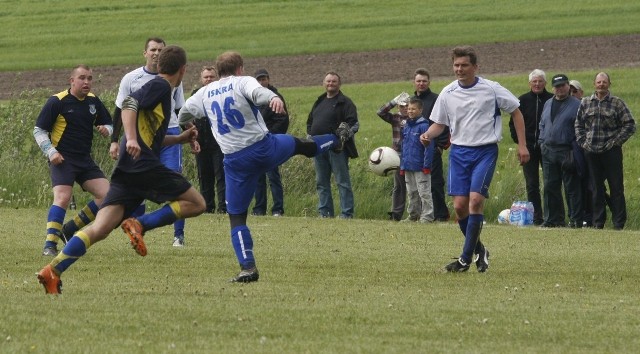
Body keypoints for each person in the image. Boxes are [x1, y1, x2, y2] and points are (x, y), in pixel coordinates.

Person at [37, 46, 206, 294]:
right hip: (144, 165)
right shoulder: (160, 87)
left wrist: (180, 138)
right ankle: (141, 225)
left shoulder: (162, 92)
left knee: (100, 229)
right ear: (183, 70)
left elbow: (151, 138)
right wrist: (131, 139)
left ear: (161, 65)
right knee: (197, 203)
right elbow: (128, 103)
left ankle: (52, 270)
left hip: (128, 168)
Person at [178, 51, 347, 283]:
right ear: (240, 69)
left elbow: (184, 112)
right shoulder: (243, 81)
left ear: (218, 72)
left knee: (237, 217)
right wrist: (273, 98)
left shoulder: (204, 93)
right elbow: (258, 93)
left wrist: (189, 128)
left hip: (235, 162)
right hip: (263, 148)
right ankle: (336, 140)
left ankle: (248, 268)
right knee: (300, 144)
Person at [420, 46, 529, 273]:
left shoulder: (491, 89)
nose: (460, 69)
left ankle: (464, 259)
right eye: (456, 65)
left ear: (475, 67)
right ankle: (481, 250)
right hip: (459, 153)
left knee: (476, 201)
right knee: (460, 207)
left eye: (464, 65)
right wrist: (428, 135)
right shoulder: (448, 93)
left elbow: (516, 111)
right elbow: (440, 123)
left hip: (485, 151)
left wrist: (522, 145)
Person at [110, 37, 192, 248]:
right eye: (153, 49)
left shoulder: (174, 80)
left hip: (169, 132)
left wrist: (187, 135)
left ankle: (178, 236)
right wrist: (115, 140)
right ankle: (137, 229)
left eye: (160, 50)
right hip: (141, 136)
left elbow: (177, 110)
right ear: (145, 53)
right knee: (139, 185)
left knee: (175, 181)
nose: (156, 53)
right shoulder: (131, 78)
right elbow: (122, 108)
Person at [34, 65, 113, 257]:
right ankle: (50, 245)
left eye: (90, 78)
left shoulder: (93, 101)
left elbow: (110, 124)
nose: (86, 82)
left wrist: (106, 130)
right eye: (82, 78)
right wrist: (50, 152)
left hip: (84, 160)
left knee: (108, 196)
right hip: (62, 159)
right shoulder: (57, 101)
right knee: (62, 197)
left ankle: (69, 229)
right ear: (72, 81)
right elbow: (39, 131)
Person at [575, 72, 636, 230]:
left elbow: (630, 124)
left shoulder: (617, 103)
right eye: (599, 82)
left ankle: (618, 223)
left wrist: (616, 142)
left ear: (609, 84)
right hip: (591, 151)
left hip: (611, 152)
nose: (601, 84)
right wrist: (583, 142)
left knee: (616, 188)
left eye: (604, 82)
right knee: (596, 188)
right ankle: (598, 222)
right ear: (594, 84)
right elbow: (578, 125)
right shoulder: (586, 103)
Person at [307, 72, 359, 219]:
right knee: (321, 182)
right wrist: (310, 134)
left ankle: (346, 213)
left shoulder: (345, 102)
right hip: (318, 147)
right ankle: (325, 213)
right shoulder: (319, 101)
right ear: (324, 83)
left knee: (342, 181)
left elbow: (354, 123)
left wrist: (344, 135)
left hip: (337, 148)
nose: (330, 84)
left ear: (339, 84)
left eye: (334, 81)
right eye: (328, 81)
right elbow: (310, 120)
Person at [509, 69, 554, 225]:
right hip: (528, 149)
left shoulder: (551, 100)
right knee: (532, 184)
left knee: (550, 182)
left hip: (548, 147)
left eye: (540, 81)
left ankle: (552, 217)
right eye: (534, 81)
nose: (537, 84)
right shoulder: (522, 100)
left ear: (545, 83)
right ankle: (536, 217)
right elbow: (512, 124)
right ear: (529, 83)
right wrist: (520, 144)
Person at [538, 74, 582, 228]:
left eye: (563, 85)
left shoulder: (577, 104)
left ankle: (575, 220)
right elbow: (542, 124)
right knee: (550, 186)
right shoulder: (548, 103)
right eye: (557, 86)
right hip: (548, 150)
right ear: (552, 88)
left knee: (571, 187)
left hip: (567, 151)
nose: (560, 88)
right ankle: (552, 219)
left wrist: (576, 147)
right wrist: (541, 141)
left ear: (568, 86)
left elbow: (581, 127)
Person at [413, 69, 450, 222]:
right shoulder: (411, 101)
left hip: (432, 148)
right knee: (417, 185)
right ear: (414, 82)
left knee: (435, 183)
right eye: (418, 81)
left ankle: (440, 215)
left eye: (424, 81)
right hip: (414, 151)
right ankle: (423, 214)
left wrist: (440, 146)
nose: (421, 83)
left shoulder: (437, 99)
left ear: (429, 82)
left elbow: (444, 123)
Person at [252, 69, 290, 217]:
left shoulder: (275, 98)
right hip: (256, 143)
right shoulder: (253, 99)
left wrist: (269, 136)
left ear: (268, 79)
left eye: (264, 79)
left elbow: (282, 120)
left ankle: (277, 209)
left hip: (271, 142)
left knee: (273, 177)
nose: (262, 82)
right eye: (259, 80)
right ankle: (259, 208)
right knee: (258, 178)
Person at [192, 66, 226, 214]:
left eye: (211, 77)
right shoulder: (196, 95)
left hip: (219, 142)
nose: (208, 79)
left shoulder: (222, 94)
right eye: (206, 77)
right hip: (201, 142)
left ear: (216, 78)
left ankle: (223, 208)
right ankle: (207, 208)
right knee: (204, 176)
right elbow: (184, 114)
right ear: (201, 79)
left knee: (221, 177)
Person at [400, 97, 435, 223]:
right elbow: (404, 146)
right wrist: (402, 165)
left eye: (413, 109)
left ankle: (427, 216)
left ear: (420, 110)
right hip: (408, 165)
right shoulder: (407, 126)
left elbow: (429, 147)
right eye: (409, 108)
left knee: (424, 192)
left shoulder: (424, 126)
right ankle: (413, 215)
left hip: (420, 166)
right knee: (412, 192)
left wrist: (426, 165)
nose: (410, 111)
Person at [376, 91, 410, 221]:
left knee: (414, 186)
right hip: (397, 156)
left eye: (407, 105)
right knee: (399, 186)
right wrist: (393, 101)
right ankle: (396, 213)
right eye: (402, 106)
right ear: (398, 107)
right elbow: (380, 112)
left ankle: (416, 213)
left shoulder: (415, 119)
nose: (405, 108)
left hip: (412, 156)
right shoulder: (396, 118)